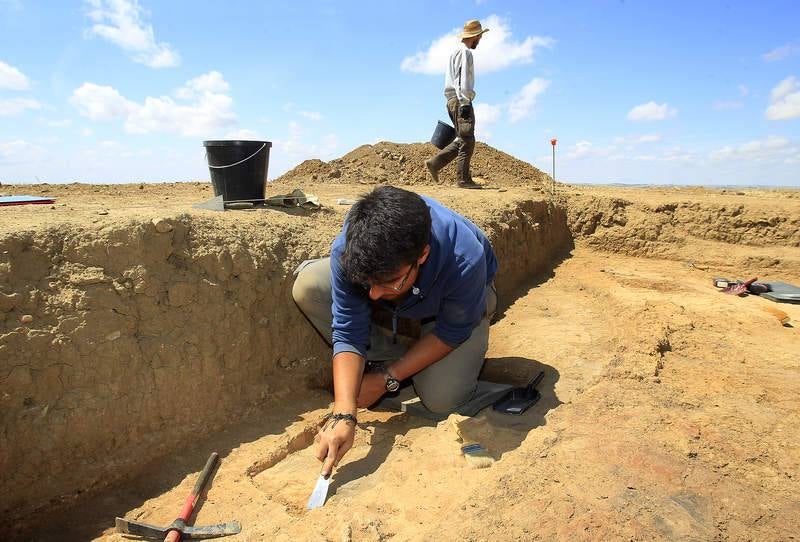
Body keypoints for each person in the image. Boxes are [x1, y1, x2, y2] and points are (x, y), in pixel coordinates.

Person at [292, 185, 498, 476]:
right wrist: (344, 412)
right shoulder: (350, 248)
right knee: (310, 285)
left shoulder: (464, 258)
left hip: (456, 306)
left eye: (389, 282)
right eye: (368, 284)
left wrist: (386, 380)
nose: (374, 296)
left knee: (441, 399)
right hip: (407, 297)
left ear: (422, 255)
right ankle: (398, 357)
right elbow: (348, 329)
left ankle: (408, 366)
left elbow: (451, 332)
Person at [425, 19, 489, 190]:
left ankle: (435, 163)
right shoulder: (465, 53)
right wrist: (465, 102)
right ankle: (463, 180)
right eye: (479, 37)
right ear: (475, 36)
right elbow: (462, 79)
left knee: (463, 138)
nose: (480, 40)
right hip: (461, 100)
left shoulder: (455, 52)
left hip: (453, 100)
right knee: (468, 140)